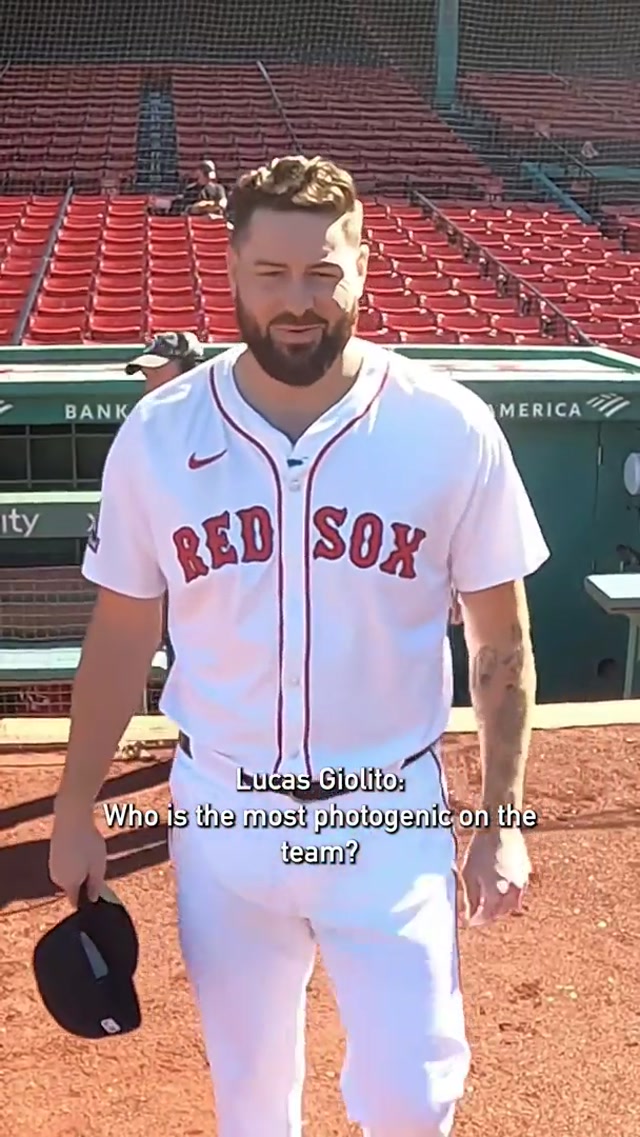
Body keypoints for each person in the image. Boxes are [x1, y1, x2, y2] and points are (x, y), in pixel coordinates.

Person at [49, 155, 550, 1137]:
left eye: (322, 273)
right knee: (250, 1099)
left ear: (363, 267)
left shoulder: (447, 427)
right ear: (233, 273)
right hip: (222, 817)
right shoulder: (158, 435)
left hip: (387, 816)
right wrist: (74, 807)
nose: (298, 301)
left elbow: (503, 641)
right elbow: (119, 634)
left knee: (414, 1098)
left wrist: (504, 819)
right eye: (272, 274)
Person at [125, 331, 205, 668]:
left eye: (157, 373)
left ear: (187, 370)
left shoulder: (224, 418)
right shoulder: (152, 426)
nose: (149, 384)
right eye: (147, 375)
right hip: (180, 569)